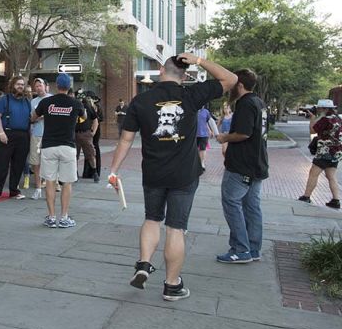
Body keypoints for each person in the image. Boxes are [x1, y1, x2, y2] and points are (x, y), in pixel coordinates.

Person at [108, 53, 237, 302]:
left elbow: (126, 138)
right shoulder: (192, 95)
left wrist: (113, 171)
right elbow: (230, 78)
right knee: (175, 228)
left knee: (152, 219)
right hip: (184, 175)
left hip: (153, 172)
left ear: (160, 70)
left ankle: (144, 264)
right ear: (185, 75)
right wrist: (199, 61)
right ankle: (171, 285)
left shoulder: (141, 100)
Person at [215, 69, 269, 263]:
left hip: (241, 165)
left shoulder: (245, 104)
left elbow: (244, 133)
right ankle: (253, 248)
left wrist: (224, 137)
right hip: (257, 163)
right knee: (252, 206)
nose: (229, 87)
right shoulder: (260, 103)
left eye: (232, 83)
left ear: (239, 84)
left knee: (231, 202)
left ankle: (240, 249)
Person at [32, 73, 84, 228]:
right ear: (69, 87)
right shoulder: (75, 103)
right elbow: (84, 116)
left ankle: (51, 217)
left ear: (55, 86)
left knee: (49, 181)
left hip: (49, 146)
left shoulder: (46, 102)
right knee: (67, 183)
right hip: (68, 146)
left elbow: (33, 117)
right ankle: (64, 217)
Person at [0, 76, 31, 200]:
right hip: (7, 134)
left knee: (18, 164)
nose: (20, 87)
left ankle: (14, 191)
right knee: (2, 163)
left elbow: (31, 118)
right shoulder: (5, 99)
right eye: (18, 84)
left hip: (23, 135)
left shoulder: (27, 101)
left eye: (22, 85)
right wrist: (1, 133)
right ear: (12, 85)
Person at [298, 99, 341, 209]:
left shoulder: (325, 119)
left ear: (323, 109)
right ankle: (336, 200)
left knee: (313, 173)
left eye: (319, 108)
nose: (318, 110)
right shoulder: (338, 118)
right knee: (331, 175)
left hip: (324, 151)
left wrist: (312, 118)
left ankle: (306, 196)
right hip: (336, 152)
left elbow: (313, 131)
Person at [29, 78, 51, 200]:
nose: (38, 88)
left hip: (49, 135)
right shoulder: (33, 102)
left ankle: (49, 188)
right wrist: (40, 117)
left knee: (48, 162)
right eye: (36, 86)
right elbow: (31, 118)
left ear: (45, 86)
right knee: (36, 162)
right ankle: (38, 188)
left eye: (40, 85)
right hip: (36, 134)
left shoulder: (52, 99)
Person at [74, 91, 99, 182]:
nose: (80, 98)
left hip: (86, 134)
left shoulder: (89, 107)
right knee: (74, 155)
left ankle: (95, 172)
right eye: (78, 96)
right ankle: (75, 173)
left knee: (91, 154)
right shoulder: (73, 107)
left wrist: (94, 131)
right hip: (75, 134)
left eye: (82, 97)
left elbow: (95, 120)